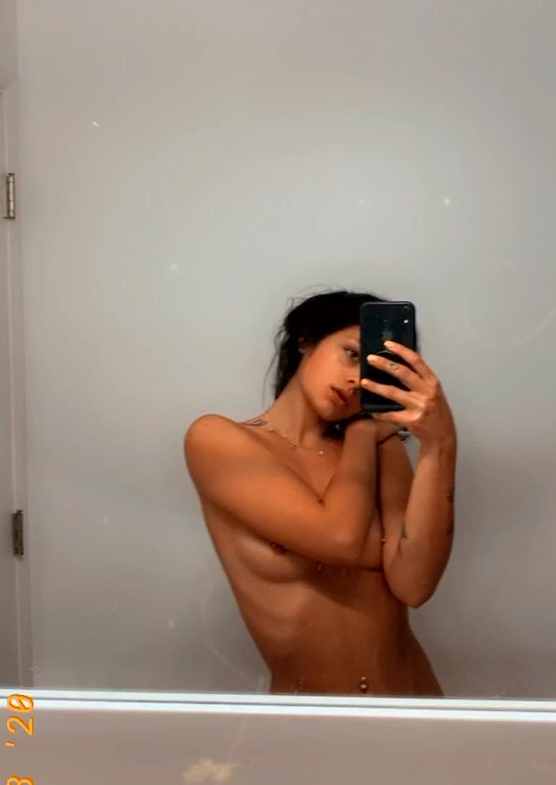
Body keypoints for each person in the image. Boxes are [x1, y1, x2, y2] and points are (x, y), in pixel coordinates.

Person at [183, 289, 457, 697]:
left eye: (373, 371)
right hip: (311, 720)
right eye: (351, 354)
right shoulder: (218, 440)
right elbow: (341, 537)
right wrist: (362, 433)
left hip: (417, 707)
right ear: (306, 340)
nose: (356, 380)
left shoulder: (385, 449)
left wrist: (441, 444)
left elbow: (414, 585)